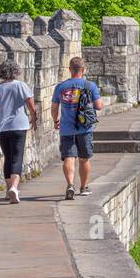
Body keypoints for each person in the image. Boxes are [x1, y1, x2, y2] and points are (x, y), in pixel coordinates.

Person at [0, 60, 38, 204]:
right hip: (19, 125)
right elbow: (31, 105)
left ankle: (9, 190)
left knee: (8, 157)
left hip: (2, 127)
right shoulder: (21, 86)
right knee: (17, 157)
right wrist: (33, 118)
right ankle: (14, 187)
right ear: (15, 71)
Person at [50, 57, 103, 200]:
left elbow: (54, 108)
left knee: (68, 156)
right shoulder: (90, 86)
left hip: (66, 128)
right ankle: (84, 187)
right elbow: (99, 106)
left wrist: (56, 121)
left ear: (70, 69)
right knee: (84, 158)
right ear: (83, 70)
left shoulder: (60, 87)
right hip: (84, 128)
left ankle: (70, 185)